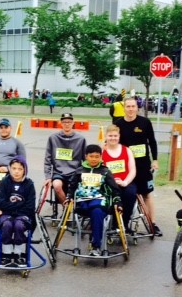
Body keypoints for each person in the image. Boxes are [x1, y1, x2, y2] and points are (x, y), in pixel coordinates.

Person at [115, 97, 162, 236]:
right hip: (126, 167)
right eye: (128, 106)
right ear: (124, 108)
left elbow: (152, 141)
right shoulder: (118, 124)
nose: (130, 109)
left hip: (143, 165)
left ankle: (152, 223)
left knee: (147, 194)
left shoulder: (145, 122)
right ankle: (121, 223)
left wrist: (155, 160)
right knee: (126, 194)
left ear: (137, 107)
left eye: (133, 106)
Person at [66, 144, 121, 257]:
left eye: (97, 156)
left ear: (101, 157)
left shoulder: (105, 171)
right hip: (83, 202)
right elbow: (72, 186)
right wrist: (69, 197)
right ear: (86, 156)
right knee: (89, 210)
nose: (94, 159)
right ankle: (93, 230)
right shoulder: (79, 171)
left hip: (99, 201)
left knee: (97, 212)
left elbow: (115, 189)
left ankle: (96, 246)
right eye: (91, 156)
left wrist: (117, 202)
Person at [0, 156, 36, 267]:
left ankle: (19, 254)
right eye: (14, 168)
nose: (16, 171)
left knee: (19, 225)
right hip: (8, 215)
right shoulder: (5, 182)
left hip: (23, 215)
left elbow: (30, 206)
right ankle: (7, 254)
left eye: (20, 169)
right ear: (10, 168)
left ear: (25, 170)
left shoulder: (29, 184)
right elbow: (1, 202)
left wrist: (9, 208)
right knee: (7, 225)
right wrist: (18, 205)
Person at [43, 113, 86, 204]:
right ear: (60, 123)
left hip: (75, 172)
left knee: (78, 187)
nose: (67, 124)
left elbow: (85, 160)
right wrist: (47, 176)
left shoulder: (81, 139)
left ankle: (74, 207)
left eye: (69, 122)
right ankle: (66, 207)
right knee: (57, 185)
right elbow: (48, 159)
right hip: (58, 172)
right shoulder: (53, 138)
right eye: (64, 122)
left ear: (73, 123)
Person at [101, 124, 137, 232]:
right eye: (110, 136)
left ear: (119, 136)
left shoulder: (127, 151)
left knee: (130, 194)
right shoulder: (102, 152)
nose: (113, 138)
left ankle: (124, 223)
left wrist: (125, 182)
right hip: (108, 184)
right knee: (108, 196)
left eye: (115, 136)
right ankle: (111, 222)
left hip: (125, 182)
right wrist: (111, 182)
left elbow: (132, 170)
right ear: (106, 137)